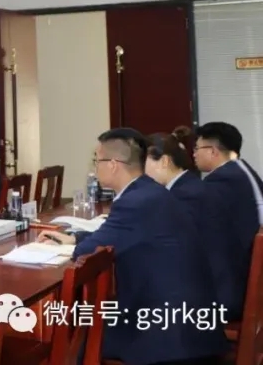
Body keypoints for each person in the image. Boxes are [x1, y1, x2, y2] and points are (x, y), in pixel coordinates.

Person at [38, 128, 227, 365]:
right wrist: (76, 237)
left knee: (77, 335)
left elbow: (88, 253)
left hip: (170, 332)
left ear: (113, 165)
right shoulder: (148, 191)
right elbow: (118, 235)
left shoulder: (136, 201)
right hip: (187, 320)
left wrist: (79, 244)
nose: (95, 167)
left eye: (97, 161)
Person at [145, 133, 240, 319]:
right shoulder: (189, 186)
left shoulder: (186, 196)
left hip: (211, 296)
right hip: (213, 284)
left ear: (164, 161)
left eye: (143, 163)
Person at [194, 121, 263, 321]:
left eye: (197, 148)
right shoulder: (242, 171)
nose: (194, 154)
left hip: (237, 289)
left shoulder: (220, 182)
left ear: (213, 151)